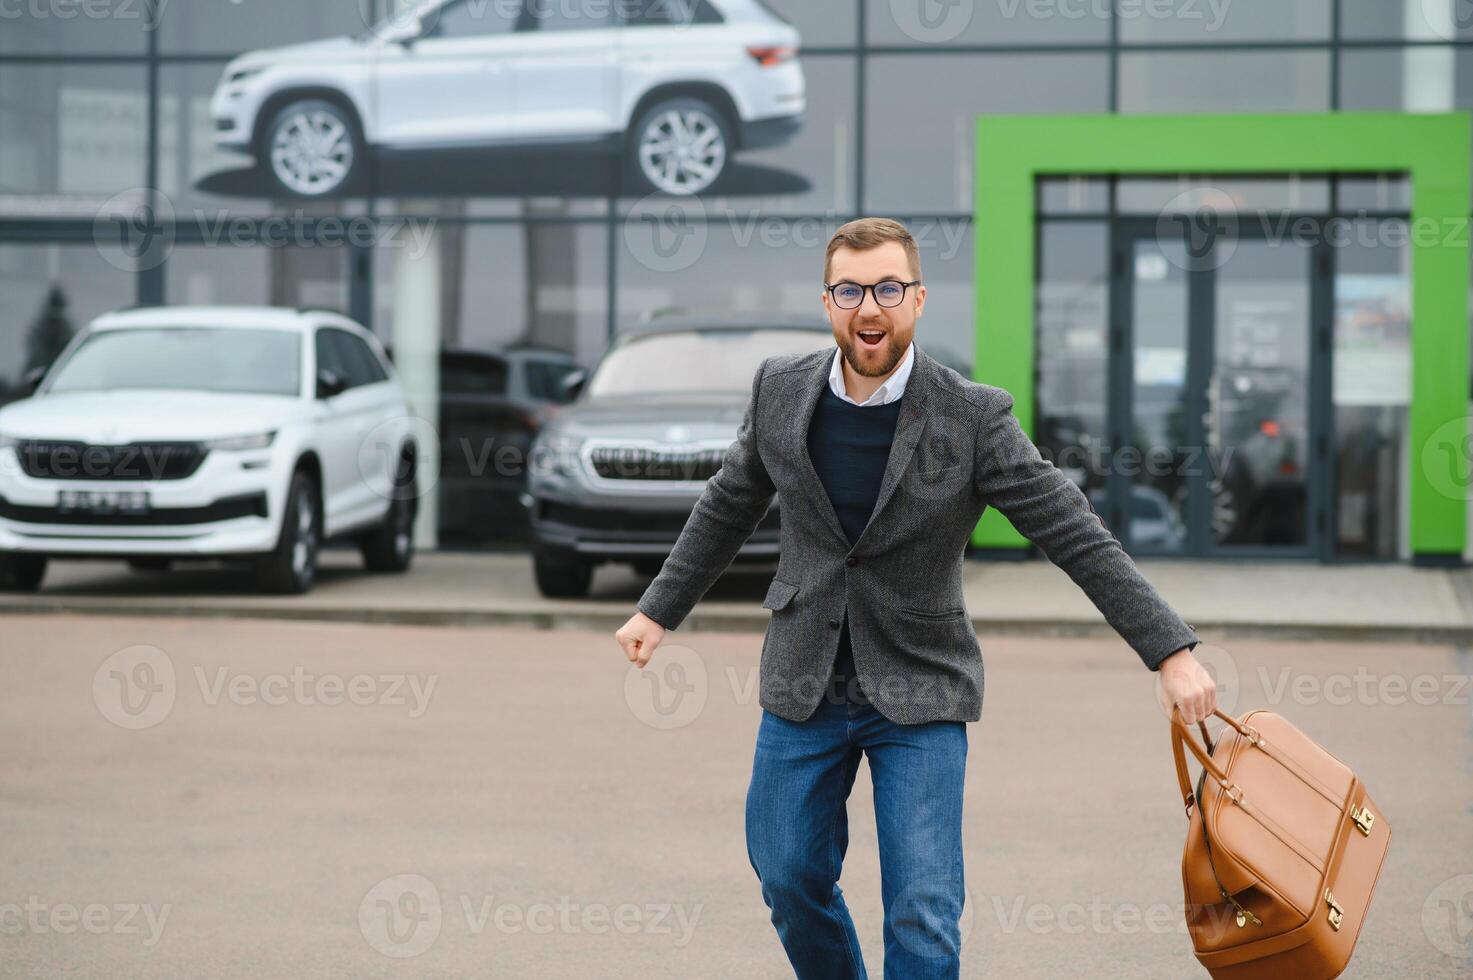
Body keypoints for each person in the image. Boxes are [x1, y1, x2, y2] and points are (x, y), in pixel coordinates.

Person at [614, 217, 1217, 979]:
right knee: (789, 877)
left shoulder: (971, 416)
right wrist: (657, 608)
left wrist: (1169, 648)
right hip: (804, 682)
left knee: (922, 911)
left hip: (921, 685)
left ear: (919, 298)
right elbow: (729, 502)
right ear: (828, 300)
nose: (870, 308)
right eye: (850, 290)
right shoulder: (779, 390)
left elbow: (1071, 530)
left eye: (888, 289)